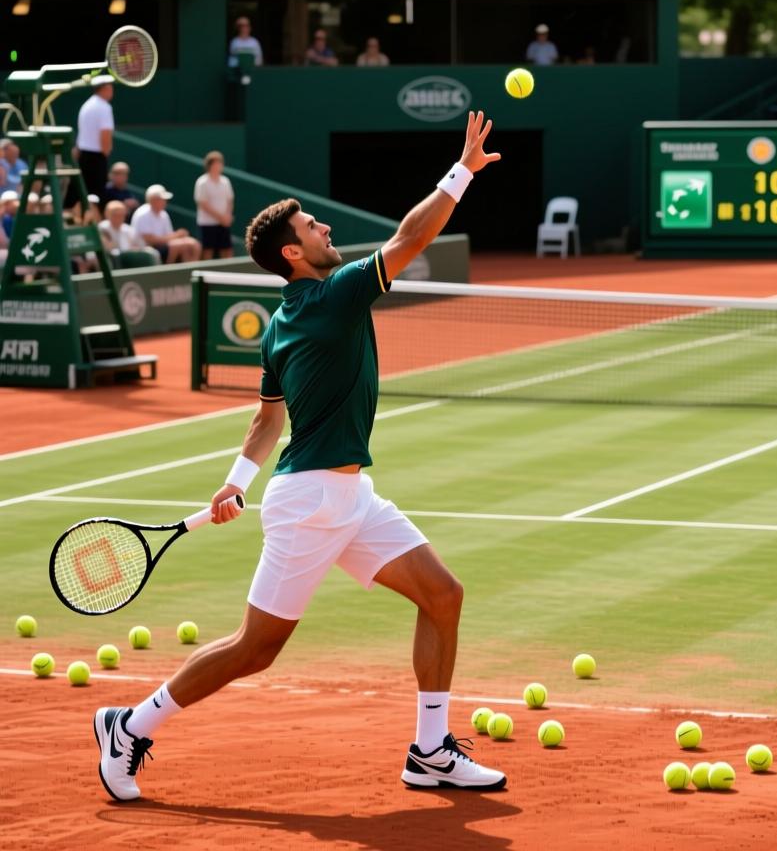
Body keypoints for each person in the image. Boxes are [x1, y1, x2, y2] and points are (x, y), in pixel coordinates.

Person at [92, 110, 507, 803]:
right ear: (292, 253)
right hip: (311, 503)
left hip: (348, 497)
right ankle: (130, 725)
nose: (327, 231)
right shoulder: (336, 295)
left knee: (443, 595)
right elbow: (412, 237)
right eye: (314, 228)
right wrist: (462, 169)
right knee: (255, 649)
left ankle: (430, 750)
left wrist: (234, 483)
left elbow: (265, 419)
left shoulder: (284, 321)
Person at [69, 75, 114, 210]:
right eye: (110, 87)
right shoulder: (104, 107)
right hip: (96, 158)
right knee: (96, 196)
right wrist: (105, 154)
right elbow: (105, 133)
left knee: (80, 193)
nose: (112, 90)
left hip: (83, 156)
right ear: (105, 89)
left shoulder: (87, 105)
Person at [130, 184, 202, 263]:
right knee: (176, 246)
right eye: (162, 199)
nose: (165, 202)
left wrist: (178, 236)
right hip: (144, 250)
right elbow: (150, 240)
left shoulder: (164, 214)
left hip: (161, 247)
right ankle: (167, 272)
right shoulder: (142, 214)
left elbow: (168, 236)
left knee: (193, 244)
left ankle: (189, 271)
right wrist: (176, 235)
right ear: (153, 200)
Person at [195, 151, 235, 260]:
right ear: (210, 165)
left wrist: (227, 216)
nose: (219, 166)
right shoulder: (202, 182)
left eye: (220, 163)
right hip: (208, 224)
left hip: (224, 223)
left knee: (227, 250)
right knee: (208, 250)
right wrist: (220, 217)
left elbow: (230, 200)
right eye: (216, 163)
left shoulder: (225, 181)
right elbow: (203, 203)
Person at [98, 200, 161, 268]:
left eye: (121, 215)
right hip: (113, 261)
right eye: (115, 215)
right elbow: (107, 248)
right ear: (107, 214)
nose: (119, 218)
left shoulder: (129, 230)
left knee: (153, 252)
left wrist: (136, 249)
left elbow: (141, 246)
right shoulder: (102, 228)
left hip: (131, 260)